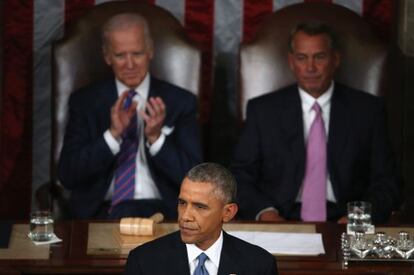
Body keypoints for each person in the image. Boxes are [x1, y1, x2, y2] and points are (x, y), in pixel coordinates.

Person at [231, 21, 399, 223]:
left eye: (319, 57)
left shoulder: (368, 110)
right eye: (302, 58)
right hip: (279, 217)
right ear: (291, 62)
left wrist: (359, 218)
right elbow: (240, 176)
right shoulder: (263, 111)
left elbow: (388, 180)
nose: (310, 67)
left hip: (345, 219)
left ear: (335, 59)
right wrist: (264, 212)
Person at [58, 13, 202, 219]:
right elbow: (68, 175)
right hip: (102, 214)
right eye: (120, 55)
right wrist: (112, 135)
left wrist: (156, 138)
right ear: (107, 56)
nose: (130, 64)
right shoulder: (85, 102)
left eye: (137, 53)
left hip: (165, 213)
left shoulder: (181, 102)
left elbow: (196, 180)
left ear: (150, 51)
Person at [124, 162, 278, 275]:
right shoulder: (144, 262)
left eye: (200, 207)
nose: (185, 216)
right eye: (182, 203)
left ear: (228, 212)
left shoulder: (259, 266)